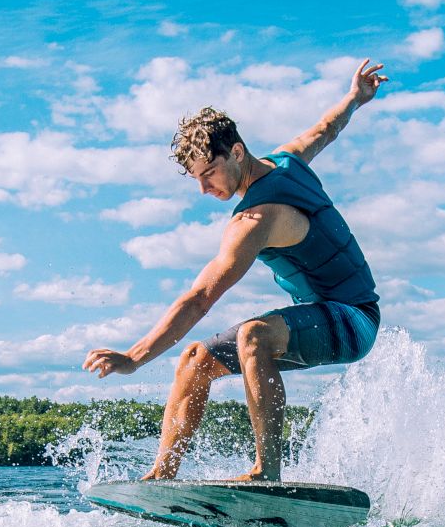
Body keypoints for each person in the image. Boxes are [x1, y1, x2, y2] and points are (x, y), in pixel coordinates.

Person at [82, 60, 386, 481]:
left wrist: (135, 356)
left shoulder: (255, 221)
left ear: (237, 152)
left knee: (253, 335)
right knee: (195, 359)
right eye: (196, 178)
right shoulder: (287, 161)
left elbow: (200, 298)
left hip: (354, 320)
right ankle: (162, 475)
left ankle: (267, 472)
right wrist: (354, 98)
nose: (204, 189)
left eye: (209, 173)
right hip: (320, 317)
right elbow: (326, 129)